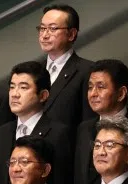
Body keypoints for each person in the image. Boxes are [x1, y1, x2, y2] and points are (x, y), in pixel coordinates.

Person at [0, 61, 72, 184]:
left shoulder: (59, 133)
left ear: (43, 95)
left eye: (23, 87)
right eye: (12, 87)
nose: (14, 94)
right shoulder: (0, 133)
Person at [37, 4, 93, 132]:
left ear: (71, 34)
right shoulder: (34, 71)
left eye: (52, 29)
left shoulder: (88, 71)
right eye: (42, 28)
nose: (44, 35)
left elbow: (88, 124)